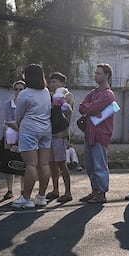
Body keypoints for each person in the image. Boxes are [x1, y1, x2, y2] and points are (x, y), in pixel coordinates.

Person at [11, 64, 52, 209]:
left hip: (29, 129)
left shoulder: (25, 93)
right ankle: (41, 196)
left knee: (31, 165)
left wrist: (19, 125)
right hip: (46, 129)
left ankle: (26, 198)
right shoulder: (46, 92)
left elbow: (18, 114)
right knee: (44, 164)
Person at [79, 64, 116, 204]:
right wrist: (91, 110)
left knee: (99, 165)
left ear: (106, 75)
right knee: (90, 166)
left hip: (101, 134)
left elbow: (91, 107)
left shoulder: (108, 94)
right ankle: (94, 191)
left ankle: (101, 193)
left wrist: (90, 109)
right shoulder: (93, 92)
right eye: (96, 73)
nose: (96, 76)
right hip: (90, 132)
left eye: (99, 73)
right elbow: (82, 107)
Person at [46, 72, 75, 203]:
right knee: (51, 163)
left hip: (60, 133)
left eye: (55, 82)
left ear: (62, 84)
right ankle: (55, 190)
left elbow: (68, 111)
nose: (52, 84)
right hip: (49, 133)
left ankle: (68, 192)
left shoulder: (67, 95)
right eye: (51, 82)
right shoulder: (48, 95)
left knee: (61, 163)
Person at [1, 80, 25, 199]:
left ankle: (23, 191)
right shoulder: (8, 104)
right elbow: (8, 121)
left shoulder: (27, 104)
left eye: (21, 89)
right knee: (9, 165)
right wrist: (21, 130)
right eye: (16, 89)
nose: (18, 92)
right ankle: (9, 190)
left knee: (23, 165)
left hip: (25, 139)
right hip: (10, 139)